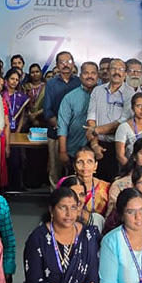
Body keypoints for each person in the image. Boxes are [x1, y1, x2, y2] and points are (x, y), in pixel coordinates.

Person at [87, 58, 135, 180]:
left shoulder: (130, 93)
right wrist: (94, 144)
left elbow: (123, 122)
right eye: (113, 69)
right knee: (97, 182)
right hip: (98, 144)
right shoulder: (97, 91)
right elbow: (91, 118)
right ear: (108, 71)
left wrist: (96, 130)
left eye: (121, 69)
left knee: (117, 182)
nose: (116, 72)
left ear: (125, 73)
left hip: (120, 145)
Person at [43, 52, 81, 188]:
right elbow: (47, 111)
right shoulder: (51, 84)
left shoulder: (79, 83)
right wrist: (62, 128)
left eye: (69, 61)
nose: (66, 65)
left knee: (76, 169)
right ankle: (55, 196)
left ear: (73, 64)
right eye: (62, 62)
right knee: (55, 170)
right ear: (57, 65)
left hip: (76, 135)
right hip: (55, 133)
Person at [56, 61, 100, 176]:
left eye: (93, 73)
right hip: (74, 149)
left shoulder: (104, 96)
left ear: (98, 75)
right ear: (80, 76)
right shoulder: (70, 97)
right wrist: (62, 151)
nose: (90, 76)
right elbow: (62, 125)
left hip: (100, 149)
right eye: (86, 73)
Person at [61, 146, 110, 222]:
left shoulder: (105, 187)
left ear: (95, 165)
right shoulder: (66, 183)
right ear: (74, 166)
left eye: (89, 161)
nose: (85, 166)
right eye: (80, 162)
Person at [115, 92, 142, 167]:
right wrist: (133, 171)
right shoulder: (124, 127)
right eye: (139, 106)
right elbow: (120, 155)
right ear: (132, 108)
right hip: (129, 169)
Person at [2, 67, 31, 133]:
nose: (14, 81)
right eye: (12, 79)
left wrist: (18, 131)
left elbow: (22, 116)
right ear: (7, 79)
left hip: (16, 130)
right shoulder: (0, 95)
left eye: (17, 80)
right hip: (1, 130)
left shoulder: (21, 97)